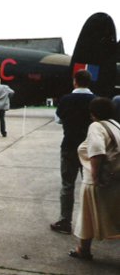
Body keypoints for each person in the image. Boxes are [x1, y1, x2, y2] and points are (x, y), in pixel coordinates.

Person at [69, 97, 120, 260]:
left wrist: (95, 175)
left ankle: (84, 250)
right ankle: (83, 250)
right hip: (115, 178)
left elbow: (97, 152)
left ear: (93, 113)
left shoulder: (96, 126)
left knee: (87, 216)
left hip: (98, 181)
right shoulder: (116, 125)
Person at [50, 70, 95, 234]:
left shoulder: (66, 99)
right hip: (91, 148)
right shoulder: (96, 100)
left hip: (69, 146)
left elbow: (58, 119)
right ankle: (91, 224)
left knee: (67, 185)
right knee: (90, 185)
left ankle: (65, 221)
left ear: (75, 81)